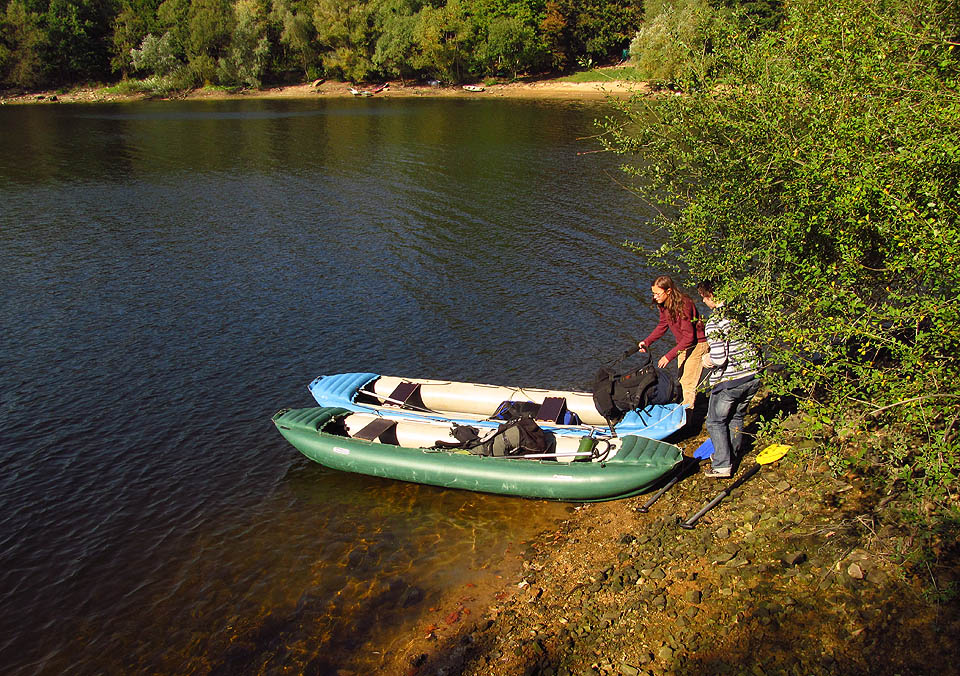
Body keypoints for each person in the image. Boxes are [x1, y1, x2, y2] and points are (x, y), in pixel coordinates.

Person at [696, 280, 763, 478]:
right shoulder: (744, 313)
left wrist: (706, 360)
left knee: (715, 421)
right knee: (737, 416)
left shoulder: (715, 322)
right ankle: (732, 454)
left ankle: (722, 464)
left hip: (731, 381)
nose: (703, 301)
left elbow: (719, 358)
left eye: (703, 297)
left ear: (710, 297)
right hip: (753, 376)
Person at [638, 276, 707, 409]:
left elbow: (690, 337)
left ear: (668, 291)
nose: (655, 297)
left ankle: (687, 419)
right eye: (653, 293)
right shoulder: (663, 305)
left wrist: (668, 357)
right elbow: (663, 325)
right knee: (681, 380)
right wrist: (647, 342)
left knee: (688, 383)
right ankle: (683, 412)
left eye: (657, 294)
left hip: (698, 344)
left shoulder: (684, 305)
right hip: (684, 344)